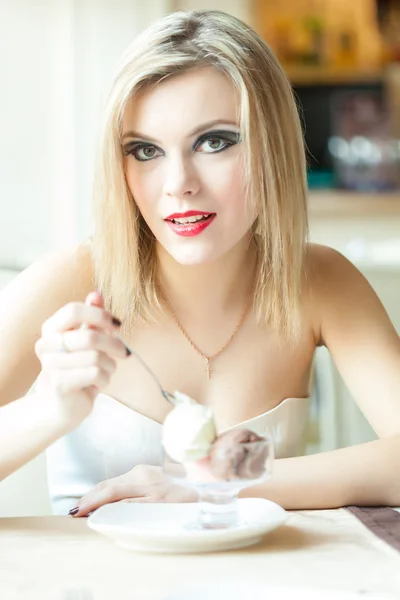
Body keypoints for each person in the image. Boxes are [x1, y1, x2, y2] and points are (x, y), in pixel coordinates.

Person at [1, 9, 400, 517]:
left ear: (272, 146)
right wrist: (47, 411)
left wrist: (205, 483)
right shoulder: (73, 280)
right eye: (145, 151)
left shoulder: (321, 281)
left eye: (214, 142)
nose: (177, 183)